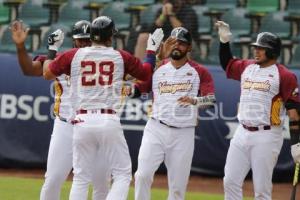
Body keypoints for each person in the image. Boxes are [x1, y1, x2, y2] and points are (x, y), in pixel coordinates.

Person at [42, 16, 164, 200]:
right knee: (122, 174)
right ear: (110, 37)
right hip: (107, 119)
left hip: (81, 121)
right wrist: (151, 50)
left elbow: (46, 73)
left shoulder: (72, 55)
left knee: (80, 179)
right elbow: (146, 73)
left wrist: (52, 50)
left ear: (91, 36)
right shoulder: (120, 56)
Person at [11, 20, 110, 200]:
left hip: (96, 126)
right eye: (81, 40)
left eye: (88, 39)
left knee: (101, 182)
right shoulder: (60, 59)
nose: (85, 43)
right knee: (53, 180)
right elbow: (28, 70)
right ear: (74, 41)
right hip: (66, 126)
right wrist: (20, 46)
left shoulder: (105, 61)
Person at [215, 20, 300, 200]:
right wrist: (224, 42)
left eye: (261, 48)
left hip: (267, 135)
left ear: (273, 51)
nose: (256, 50)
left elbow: (294, 112)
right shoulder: (247, 67)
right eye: (256, 47)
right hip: (241, 132)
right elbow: (227, 64)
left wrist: (296, 144)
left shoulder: (284, 75)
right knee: (230, 180)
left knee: (261, 190)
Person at [131, 27, 216, 200]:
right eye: (173, 42)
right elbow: (140, 88)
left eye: (182, 43)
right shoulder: (157, 68)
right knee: (142, 175)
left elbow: (211, 100)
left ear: (189, 48)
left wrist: (195, 101)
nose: (177, 46)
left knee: (177, 186)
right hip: (156, 128)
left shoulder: (199, 71)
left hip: (183, 133)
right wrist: (129, 90)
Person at [131, 0, 198, 60]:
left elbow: (183, 32)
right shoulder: (162, 10)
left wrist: (170, 14)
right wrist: (163, 15)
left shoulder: (189, 11)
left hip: (185, 44)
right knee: (144, 37)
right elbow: (152, 31)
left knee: (181, 41)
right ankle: (138, 68)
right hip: (165, 42)